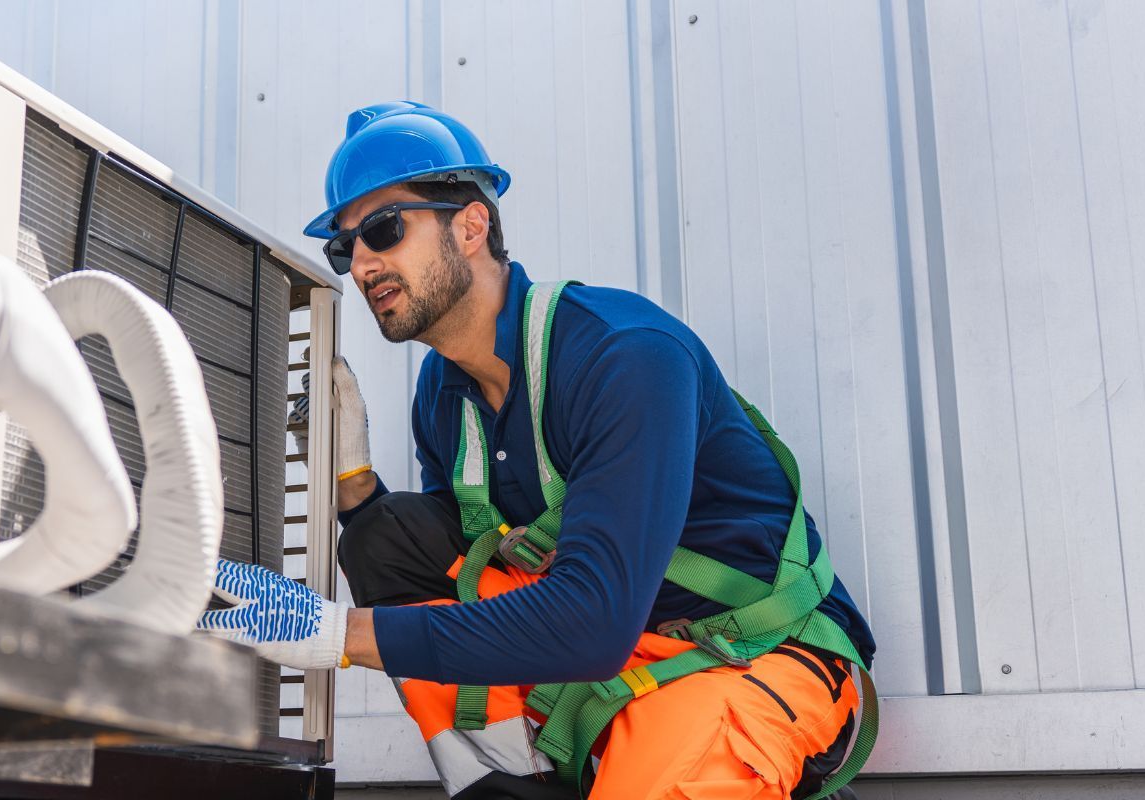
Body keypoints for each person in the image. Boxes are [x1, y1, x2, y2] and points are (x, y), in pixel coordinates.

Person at [199, 101, 877, 800]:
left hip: (745, 653)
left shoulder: (624, 355)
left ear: (471, 225)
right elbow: (456, 576)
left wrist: (335, 633)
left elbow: (592, 619)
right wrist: (353, 488)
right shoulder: (444, 395)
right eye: (347, 248)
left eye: (383, 229)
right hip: (612, 663)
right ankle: (513, 782)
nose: (363, 263)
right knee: (388, 537)